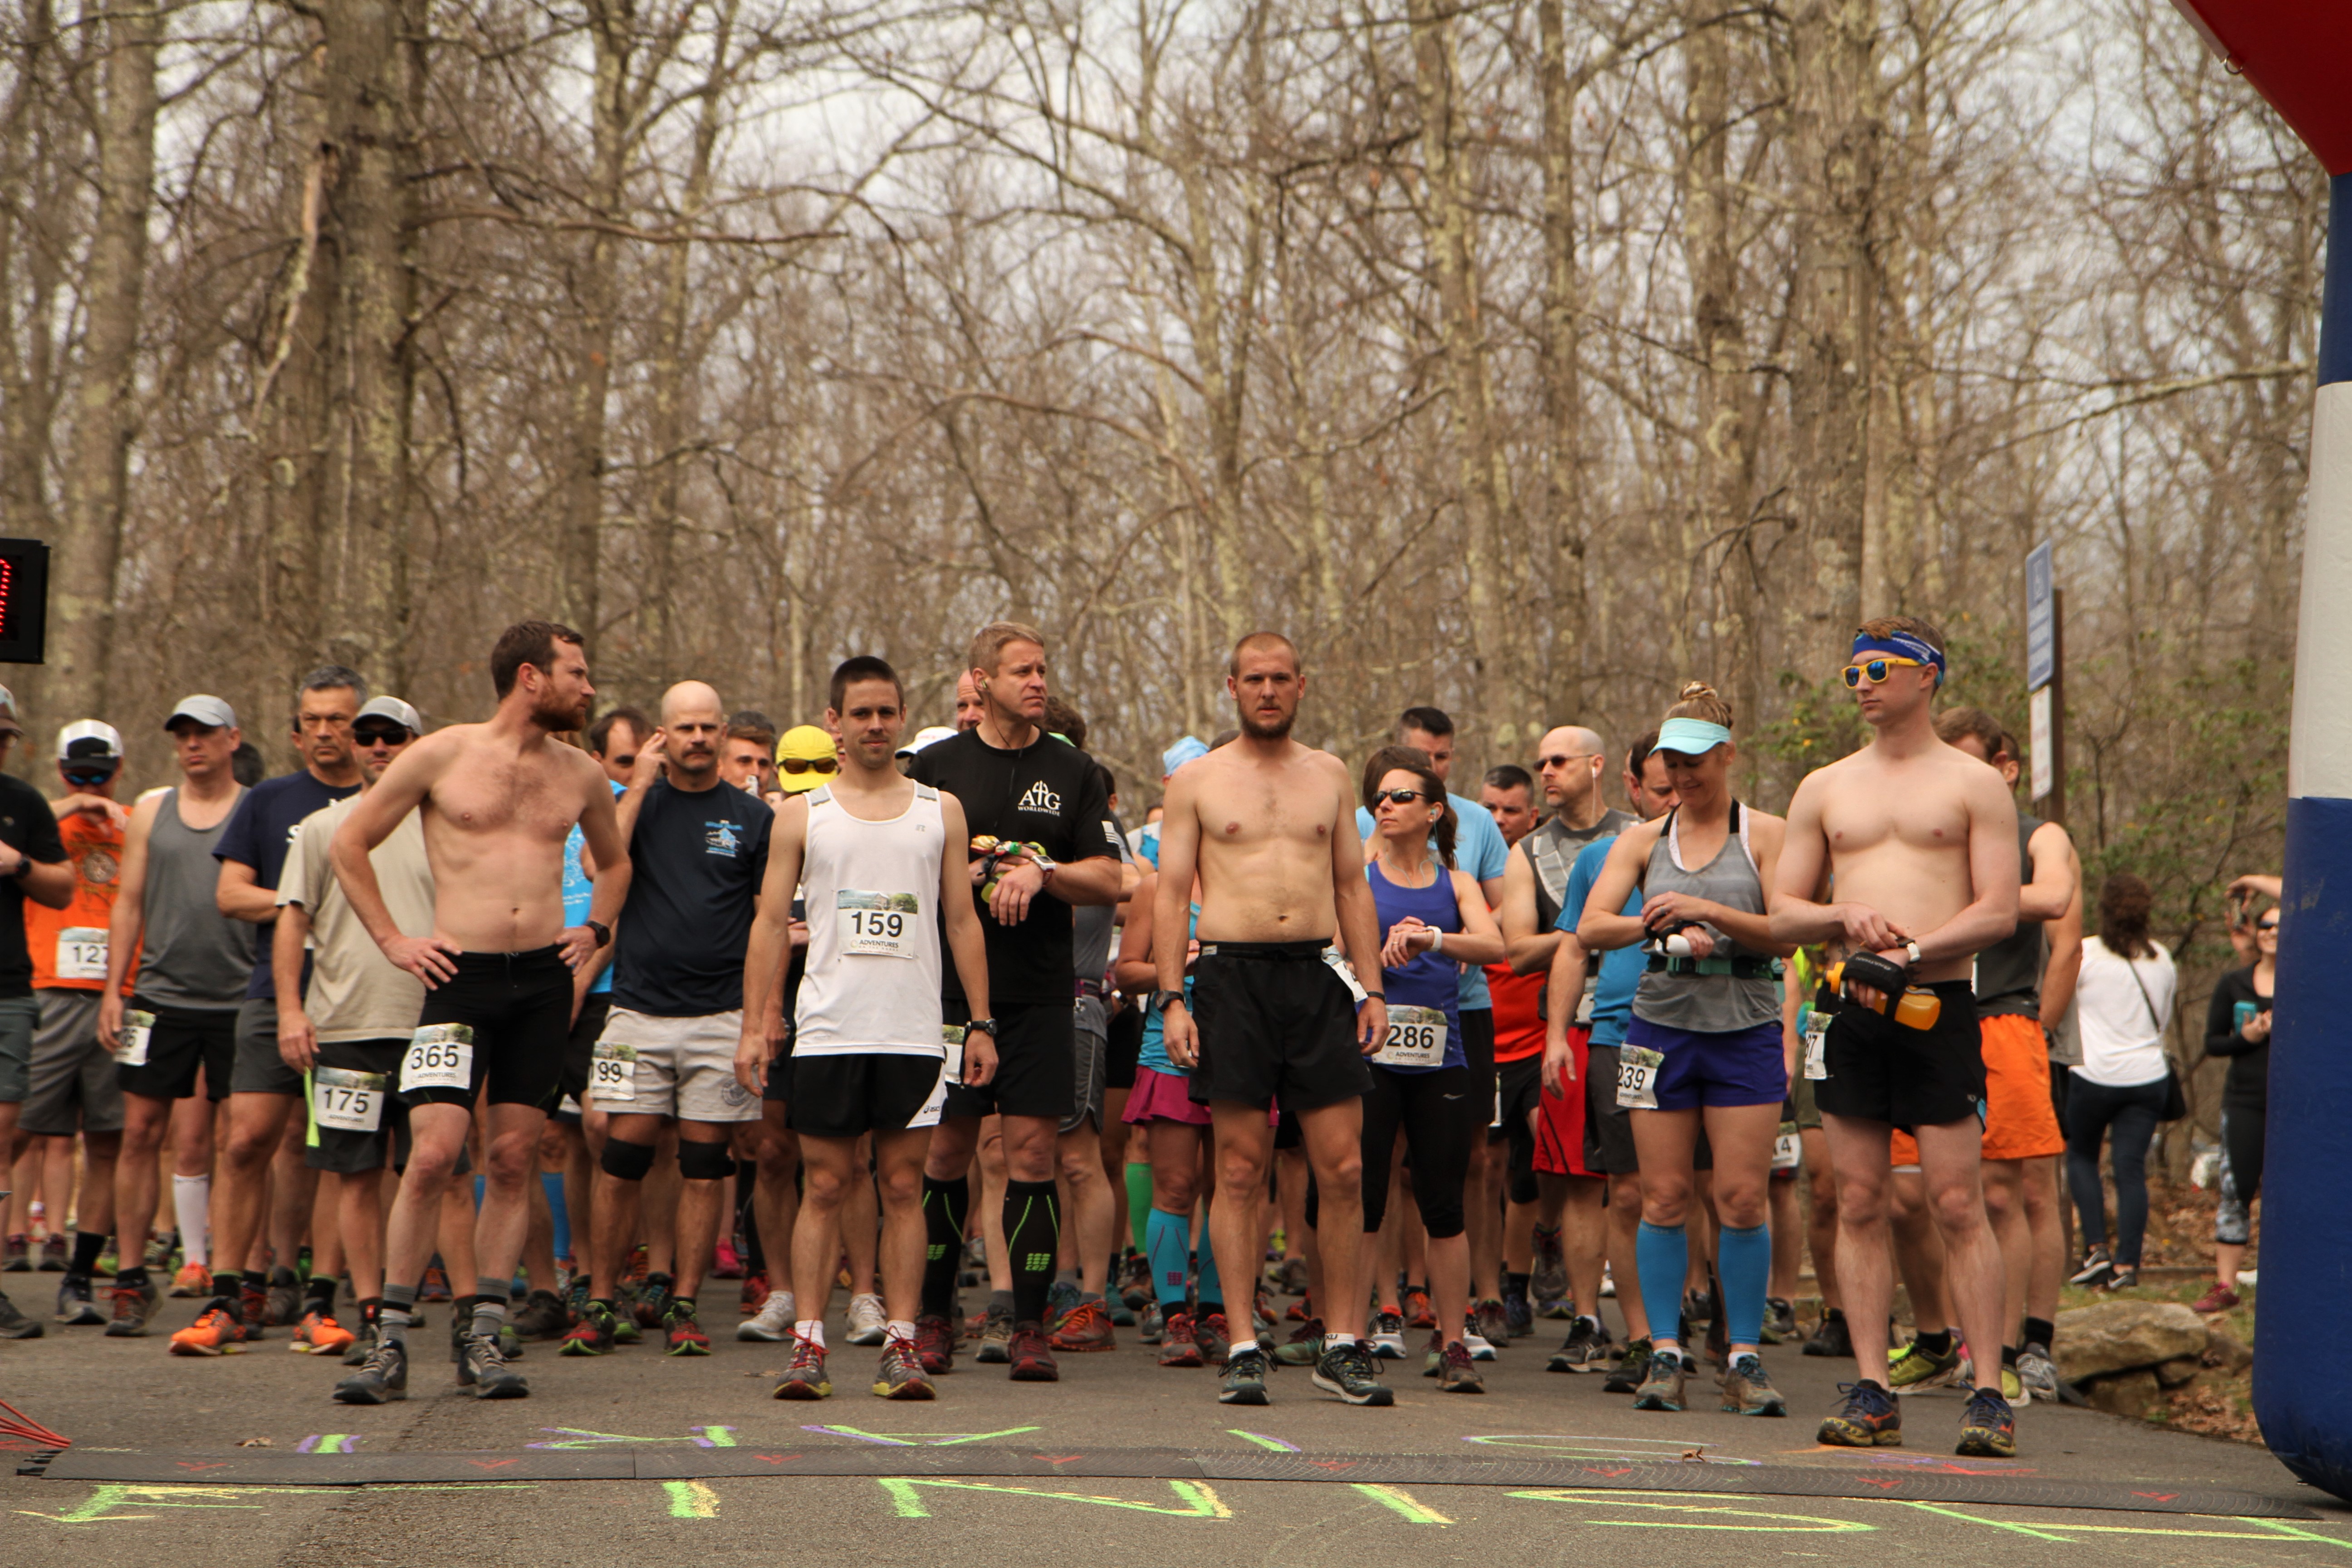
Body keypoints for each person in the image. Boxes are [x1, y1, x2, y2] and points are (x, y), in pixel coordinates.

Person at [325, 622, 630, 1403]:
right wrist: (393, 939)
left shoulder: (581, 773)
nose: (589, 689)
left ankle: (484, 1335)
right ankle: (387, 1338)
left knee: (513, 1158)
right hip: (457, 981)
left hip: (541, 983)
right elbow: (349, 844)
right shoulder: (442, 755)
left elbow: (616, 860)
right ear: (530, 677)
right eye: (577, 673)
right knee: (431, 1157)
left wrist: (594, 928)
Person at [1769, 617, 2023, 1458]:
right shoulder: (1823, 786)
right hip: (1850, 1016)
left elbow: (1997, 908)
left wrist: (1911, 951)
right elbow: (1782, 911)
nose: (1861, 684)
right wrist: (1840, 916)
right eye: (1850, 674)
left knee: (1958, 1201)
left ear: (1927, 677)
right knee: (1856, 1197)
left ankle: (1987, 1391)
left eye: (1877, 668)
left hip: (1936, 1008)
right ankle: (1870, 1388)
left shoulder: (1973, 785)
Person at [737, 656, 996, 1401]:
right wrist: (758, 1023)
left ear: (902, 715)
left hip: (913, 1031)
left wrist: (979, 1023)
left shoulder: (936, 810)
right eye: (861, 714)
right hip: (827, 1029)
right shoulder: (801, 813)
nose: (875, 725)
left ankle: (902, 1343)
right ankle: (809, 1344)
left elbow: (959, 919)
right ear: (835, 723)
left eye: (887, 712)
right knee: (824, 1182)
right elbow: (765, 925)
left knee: (902, 1185)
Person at [1156, 632, 1392, 1407]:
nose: (1266, 690)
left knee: (1344, 1168)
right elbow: (1168, 893)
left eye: (1279, 679)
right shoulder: (1197, 779)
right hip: (1229, 978)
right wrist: (1172, 998)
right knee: (1237, 1170)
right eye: (1252, 679)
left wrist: (1371, 988)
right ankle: (1243, 1343)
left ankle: (1341, 1342)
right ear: (1231, 686)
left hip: (1316, 980)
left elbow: (1353, 888)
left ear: (1300, 685)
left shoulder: (1327, 776)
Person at [906, 623, 1124, 1382]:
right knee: (944, 1153)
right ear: (982, 681)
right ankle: (932, 1318)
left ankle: (1028, 1325)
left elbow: (1110, 878)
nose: (1037, 682)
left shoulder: (1073, 770)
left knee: (1032, 1154)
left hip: (1038, 995)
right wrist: (950, 876)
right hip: (945, 993)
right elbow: (898, 861)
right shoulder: (933, 768)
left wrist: (1043, 871)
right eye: (1021, 671)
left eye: (1042, 669)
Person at [1575, 686, 1794, 1418]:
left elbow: (1789, 932)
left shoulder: (1764, 834)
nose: (1685, 774)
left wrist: (1708, 910)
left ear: (1727, 754)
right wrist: (1650, 922)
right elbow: (1589, 927)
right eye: (1673, 761)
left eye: (1698, 760)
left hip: (1745, 1027)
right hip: (1658, 1031)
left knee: (1739, 1196)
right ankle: (1662, 1352)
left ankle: (1742, 1355)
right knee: (1661, 1195)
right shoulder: (1642, 840)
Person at [563, 681, 772, 1361]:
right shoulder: (637, 805)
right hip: (638, 1013)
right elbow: (598, 864)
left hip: (720, 1014)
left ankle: (683, 1303)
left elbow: (769, 922)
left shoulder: (750, 816)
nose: (700, 739)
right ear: (664, 734)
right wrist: (637, 787)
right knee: (620, 1157)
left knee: (704, 1165)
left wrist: (758, 1021)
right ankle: (601, 1297)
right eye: (686, 728)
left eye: (710, 727)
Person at [191, 666, 366, 1351]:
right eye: (314, 721)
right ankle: (229, 1296)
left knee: (329, 1149)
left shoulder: (383, 802)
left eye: (340, 720)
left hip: (356, 999)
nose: (326, 733)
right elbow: (232, 894)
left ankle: (319, 1300)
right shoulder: (268, 801)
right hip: (272, 991)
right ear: (297, 732)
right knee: (245, 1140)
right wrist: (303, 904)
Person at [271, 697, 427, 1375]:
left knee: (441, 1173)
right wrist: (289, 1012)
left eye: (394, 737)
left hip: (432, 1024)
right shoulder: (319, 829)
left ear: (418, 744)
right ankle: (370, 1314)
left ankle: (465, 1313)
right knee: (355, 1175)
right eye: (368, 737)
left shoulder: (445, 826)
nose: (378, 747)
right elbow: (291, 923)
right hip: (345, 1027)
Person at [97, 696, 256, 1339]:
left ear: (233, 739)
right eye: (184, 735)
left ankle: (234, 1281)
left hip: (240, 1000)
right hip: (158, 998)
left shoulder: (257, 808)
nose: (193, 745)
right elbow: (127, 903)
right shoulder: (152, 812)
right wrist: (115, 990)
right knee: (140, 1132)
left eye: (206, 734)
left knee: (238, 1144)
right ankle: (132, 1280)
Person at [1355, 707, 1510, 1350]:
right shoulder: (1357, 881)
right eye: (1379, 799)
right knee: (1366, 1198)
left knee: (1443, 1200)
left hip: (1441, 1057)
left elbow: (1495, 944)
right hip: (1368, 1053)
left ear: (1434, 810)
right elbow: (1328, 952)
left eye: (1401, 797)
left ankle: (1453, 1340)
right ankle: (1365, 1328)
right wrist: (1368, 968)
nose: (1386, 807)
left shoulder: (1457, 880)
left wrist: (1431, 939)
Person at [1537, 730, 1675, 1381]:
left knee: (1689, 1193)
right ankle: (1643, 1338)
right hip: (1618, 1036)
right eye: (1661, 788)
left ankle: (1703, 1331)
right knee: (1624, 1191)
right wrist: (1558, 1034)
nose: (1674, 799)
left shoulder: (1737, 848)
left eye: (1683, 785)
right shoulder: (1604, 857)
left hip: (1710, 1037)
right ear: (1634, 787)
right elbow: (1571, 947)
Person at [24, 721, 134, 1330]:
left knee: (109, 1139)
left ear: (120, 768)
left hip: (117, 997)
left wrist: (116, 812)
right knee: (15, 1129)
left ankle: (81, 1278)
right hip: (48, 989)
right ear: (62, 772)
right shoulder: (41, 820)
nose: (92, 785)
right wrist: (70, 803)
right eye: (78, 773)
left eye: (101, 773)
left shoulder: (134, 824)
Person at [543, 706, 644, 1328]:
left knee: (608, 1129)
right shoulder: (537, 797)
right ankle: (577, 1268)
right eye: (624, 762)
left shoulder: (620, 809)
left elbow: (616, 898)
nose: (635, 773)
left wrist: (583, 979)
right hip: (543, 981)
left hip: (607, 987)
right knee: (560, 1137)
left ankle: (622, 1269)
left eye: (639, 761)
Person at [0, 689, 74, 1338]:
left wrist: (17, 863)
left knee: (2, 1136)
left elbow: (64, 887)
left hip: (8, 989)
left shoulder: (23, 803)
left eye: (2, 736)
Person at [2063, 872, 2176, 1296]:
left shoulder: (2085, 953)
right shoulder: (2162, 959)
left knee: (2081, 1157)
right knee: (2130, 1169)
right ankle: (2129, 1263)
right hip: (2147, 1078)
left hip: (2092, 1074)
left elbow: (2060, 1003)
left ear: (2104, 909)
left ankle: (2096, 1251)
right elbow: (2162, 1019)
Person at [2199, 899, 2273, 1313]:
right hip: (2244, 1101)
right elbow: (2213, 1042)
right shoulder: (2234, 983)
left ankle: (2284, 1278)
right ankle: (2225, 1284)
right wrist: (2248, 1039)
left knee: (2292, 1194)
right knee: (2235, 1190)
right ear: (2257, 933)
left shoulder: (2304, 983)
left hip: (2299, 1107)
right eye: (2266, 925)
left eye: (2281, 924)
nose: (2274, 931)